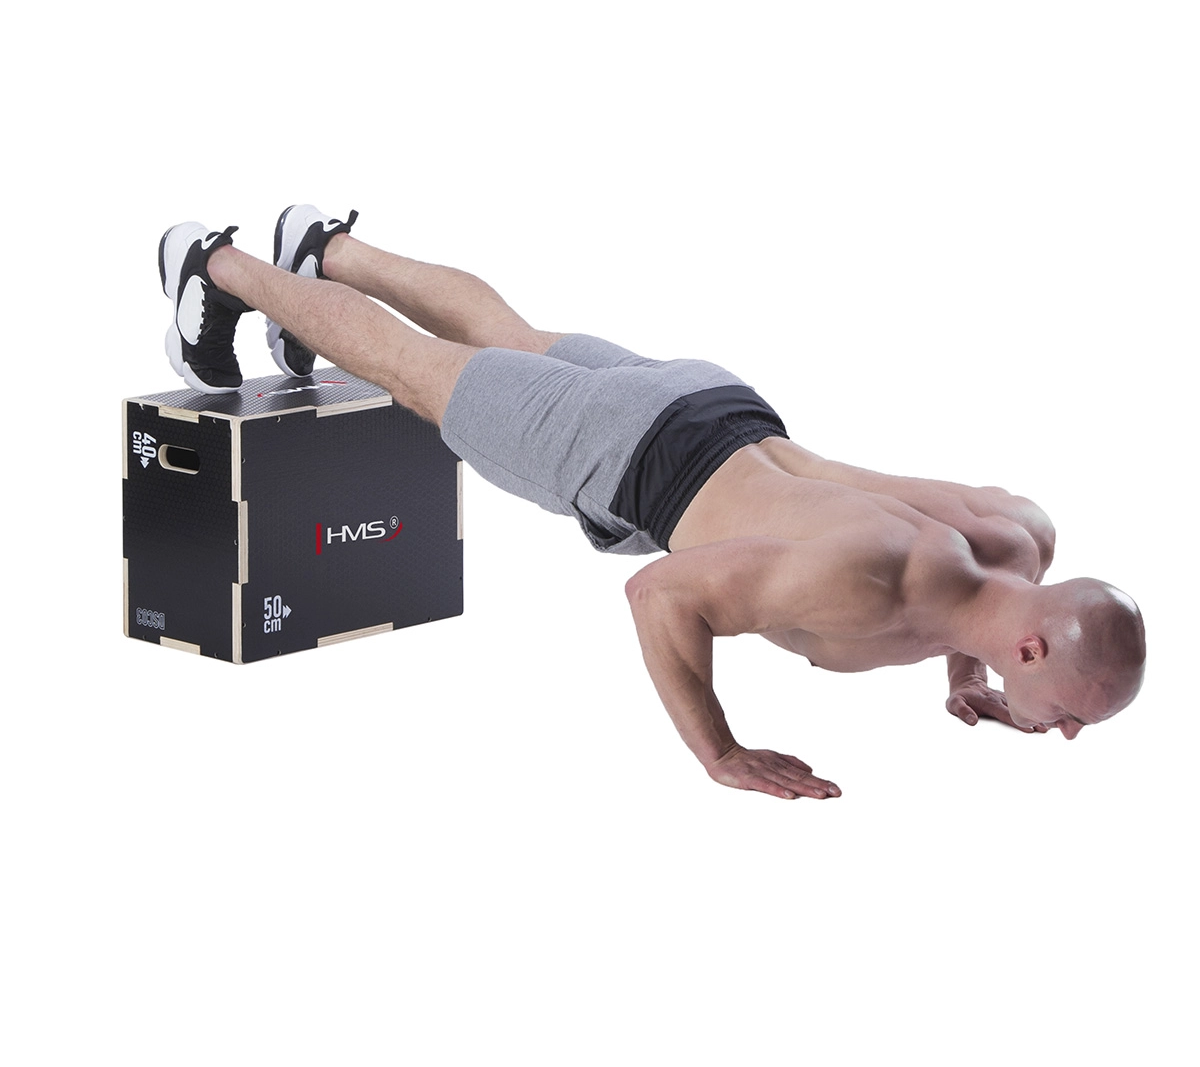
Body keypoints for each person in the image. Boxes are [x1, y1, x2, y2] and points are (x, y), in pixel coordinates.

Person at [158, 206, 1147, 800]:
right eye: (1074, 716)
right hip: (629, 457)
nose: (1064, 732)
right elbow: (662, 595)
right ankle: (215, 265)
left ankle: (327, 249)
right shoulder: (862, 584)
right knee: (412, 369)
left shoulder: (1019, 538)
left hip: (718, 409)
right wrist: (720, 750)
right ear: (1031, 649)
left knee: (513, 339)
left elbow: (969, 589)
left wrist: (964, 668)